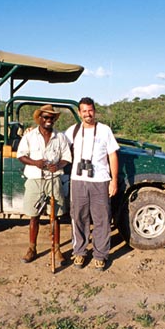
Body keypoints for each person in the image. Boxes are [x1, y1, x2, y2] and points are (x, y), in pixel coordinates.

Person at [65, 97, 119, 271]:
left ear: (94, 111)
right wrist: (29, 132)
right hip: (78, 180)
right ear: (79, 113)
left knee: (101, 219)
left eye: (90, 110)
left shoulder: (104, 130)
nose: (88, 114)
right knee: (78, 217)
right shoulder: (72, 131)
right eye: (84, 111)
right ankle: (79, 252)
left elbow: (112, 155)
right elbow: (58, 145)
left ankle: (100, 255)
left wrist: (114, 180)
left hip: (100, 180)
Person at [17, 104, 72, 265]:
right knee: (34, 216)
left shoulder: (60, 137)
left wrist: (59, 165)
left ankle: (56, 249)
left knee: (55, 217)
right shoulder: (30, 136)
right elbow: (21, 155)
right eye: (46, 117)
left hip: (53, 179)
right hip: (34, 179)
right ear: (39, 118)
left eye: (52, 118)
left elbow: (67, 157)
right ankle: (32, 249)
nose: (49, 120)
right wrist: (35, 162)